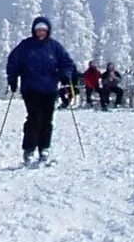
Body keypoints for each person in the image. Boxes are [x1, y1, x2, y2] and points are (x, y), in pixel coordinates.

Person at [6, 17, 79, 166]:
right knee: (34, 118)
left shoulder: (54, 47)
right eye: (38, 30)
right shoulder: (26, 46)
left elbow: (67, 63)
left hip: (50, 89)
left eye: (43, 30)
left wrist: (66, 75)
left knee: (47, 120)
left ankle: (44, 148)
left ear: (48, 31)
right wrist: (12, 79)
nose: (40, 33)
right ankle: (29, 149)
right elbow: (13, 62)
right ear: (34, 30)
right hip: (31, 88)